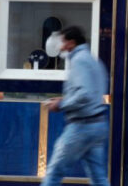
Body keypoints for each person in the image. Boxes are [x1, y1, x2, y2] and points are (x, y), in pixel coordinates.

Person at [41, 26, 109, 186]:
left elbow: (84, 94)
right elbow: (91, 92)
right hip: (98, 125)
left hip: (81, 127)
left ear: (71, 43)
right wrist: (65, 98)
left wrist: (62, 104)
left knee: (54, 172)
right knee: (98, 177)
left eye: (63, 42)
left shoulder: (79, 61)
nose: (60, 46)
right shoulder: (93, 60)